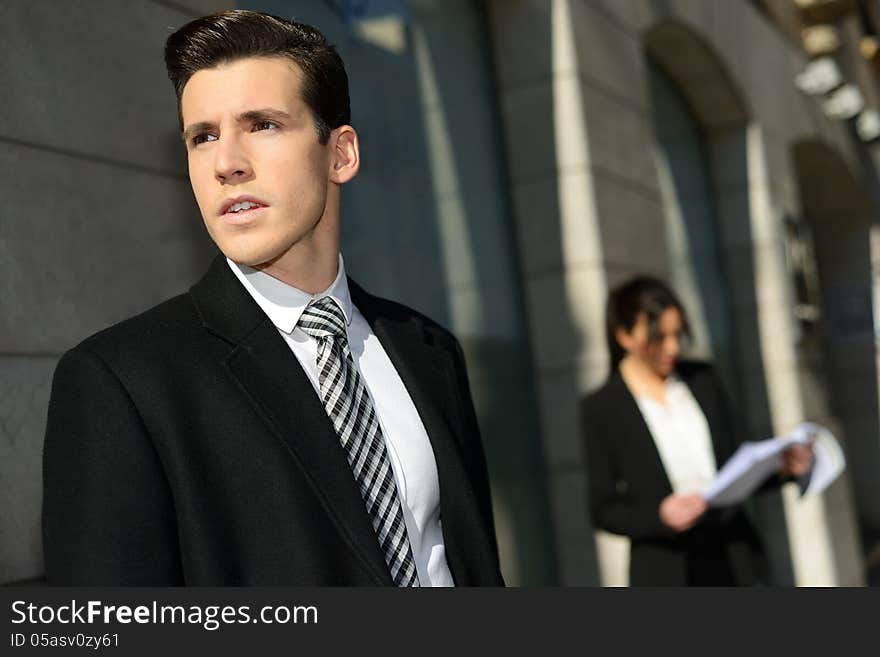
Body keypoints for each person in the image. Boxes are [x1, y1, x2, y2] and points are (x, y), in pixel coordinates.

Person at [42, 10, 504, 587]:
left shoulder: (429, 349)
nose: (226, 163)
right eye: (202, 136)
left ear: (340, 154)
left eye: (262, 124)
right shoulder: (122, 381)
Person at [580, 276, 812, 586]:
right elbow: (604, 509)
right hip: (666, 567)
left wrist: (782, 467)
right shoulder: (602, 407)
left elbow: (740, 463)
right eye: (658, 337)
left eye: (678, 334)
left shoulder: (703, 379)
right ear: (624, 336)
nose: (672, 347)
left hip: (733, 555)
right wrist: (660, 515)